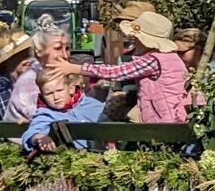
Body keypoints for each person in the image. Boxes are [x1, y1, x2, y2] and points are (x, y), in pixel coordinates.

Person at [52, 11, 188, 124]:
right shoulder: (169, 57)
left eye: (135, 38)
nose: (132, 41)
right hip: (169, 113)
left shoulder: (154, 60)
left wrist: (75, 68)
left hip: (166, 117)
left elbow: (116, 72)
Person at [20, 68, 105, 152]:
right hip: (74, 158)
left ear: (71, 88)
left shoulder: (93, 105)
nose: (56, 97)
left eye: (59, 90)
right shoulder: (46, 113)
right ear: (42, 95)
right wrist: (38, 137)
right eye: (49, 94)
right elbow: (32, 132)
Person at [11, 28, 70, 121]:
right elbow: (43, 120)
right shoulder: (29, 81)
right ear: (39, 51)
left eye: (67, 48)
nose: (65, 55)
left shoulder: (62, 75)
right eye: (58, 48)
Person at [0, 32, 33, 121]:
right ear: (8, 61)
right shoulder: (2, 84)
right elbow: (13, 120)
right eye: (23, 55)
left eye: (31, 54)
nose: (29, 60)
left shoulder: (35, 79)